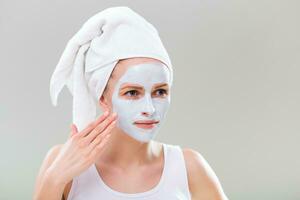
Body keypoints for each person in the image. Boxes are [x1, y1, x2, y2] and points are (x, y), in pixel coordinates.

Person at [33, 7, 228, 200]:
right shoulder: (62, 163)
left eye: (160, 92)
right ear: (102, 98)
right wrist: (54, 179)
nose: (150, 109)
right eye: (132, 93)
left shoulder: (189, 168)